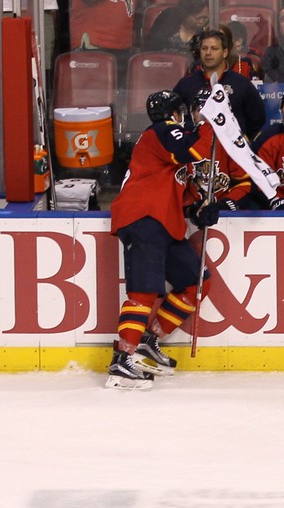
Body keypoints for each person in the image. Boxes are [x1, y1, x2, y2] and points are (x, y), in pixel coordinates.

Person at [104, 91, 212, 390]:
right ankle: (121, 361)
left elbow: (182, 191)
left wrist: (201, 210)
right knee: (143, 292)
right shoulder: (164, 130)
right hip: (144, 219)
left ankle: (147, 342)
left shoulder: (164, 143)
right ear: (176, 113)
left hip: (165, 222)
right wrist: (210, 124)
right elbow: (192, 152)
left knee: (197, 281)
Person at [175, 28, 266, 140]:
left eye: (214, 49)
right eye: (204, 48)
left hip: (232, 151)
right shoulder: (186, 84)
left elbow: (257, 119)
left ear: (224, 53)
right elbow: (175, 118)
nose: (208, 53)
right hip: (195, 151)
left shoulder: (242, 84)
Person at [145, 0, 210, 53]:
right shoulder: (168, 18)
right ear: (185, 15)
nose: (201, 22)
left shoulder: (207, 30)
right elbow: (150, 48)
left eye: (205, 18)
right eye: (197, 18)